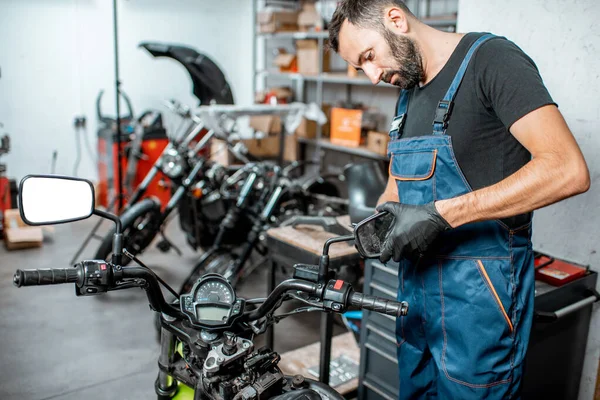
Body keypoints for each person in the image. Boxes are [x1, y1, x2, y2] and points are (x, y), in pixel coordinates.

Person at [328, 1, 590, 399]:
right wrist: (377, 223)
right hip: (414, 296)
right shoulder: (408, 93)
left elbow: (566, 169)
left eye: (368, 56)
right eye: (359, 67)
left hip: (478, 303)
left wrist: (440, 215)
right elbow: (398, 185)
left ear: (396, 19)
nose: (373, 75)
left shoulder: (492, 60)